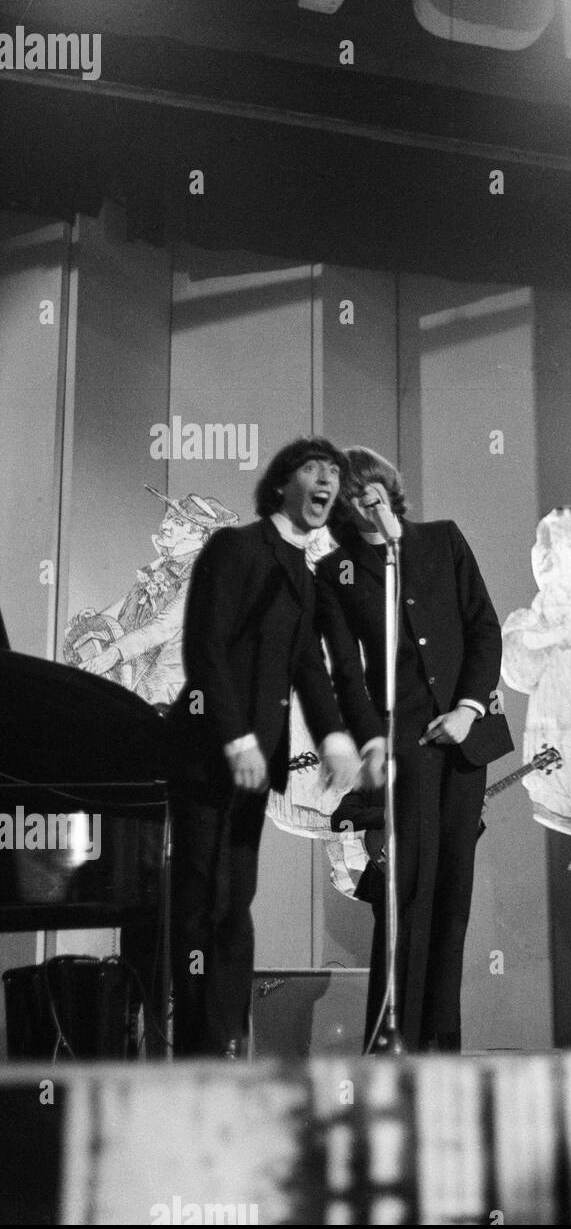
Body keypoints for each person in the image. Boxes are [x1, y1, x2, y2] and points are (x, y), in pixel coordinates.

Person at [167, 438, 383, 1058]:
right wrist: (235, 738)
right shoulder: (234, 548)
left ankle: (231, 1043)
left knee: (235, 902)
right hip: (209, 751)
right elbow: (204, 648)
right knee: (200, 901)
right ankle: (197, 1051)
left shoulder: (302, 572)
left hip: (256, 766)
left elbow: (309, 669)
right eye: (316, 469)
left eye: (335, 475)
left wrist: (338, 737)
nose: (329, 482)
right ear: (283, 481)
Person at [315, 447, 513, 1053]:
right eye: (350, 494)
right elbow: (346, 674)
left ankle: (441, 1043)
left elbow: (484, 627)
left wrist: (468, 708)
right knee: (407, 894)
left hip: (462, 739)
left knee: (453, 897)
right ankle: (390, 1040)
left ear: (387, 487)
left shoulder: (443, 540)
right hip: (401, 746)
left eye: (369, 485)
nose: (363, 497)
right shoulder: (337, 572)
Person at [66, 487, 238, 707]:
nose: (165, 525)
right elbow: (126, 605)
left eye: (177, 522)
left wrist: (112, 654)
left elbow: (161, 628)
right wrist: (94, 619)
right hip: (134, 680)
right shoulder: (161, 567)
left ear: (197, 533)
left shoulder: (202, 576)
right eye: (168, 517)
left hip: (169, 694)